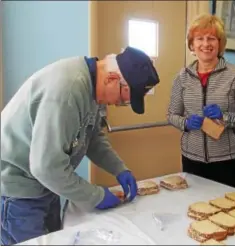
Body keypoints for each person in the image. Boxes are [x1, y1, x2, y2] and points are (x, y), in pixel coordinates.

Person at [0, 46, 160, 245]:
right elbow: (46, 168)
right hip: (19, 190)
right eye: (120, 99)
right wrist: (96, 197)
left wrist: (119, 169)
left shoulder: (94, 89)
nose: (116, 103)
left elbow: (92, 137)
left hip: (46, 185)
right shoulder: (67, 92)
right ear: (112, 78)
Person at [167, 14, 235, 189]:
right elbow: (171, 115)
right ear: (192, 44)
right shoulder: (182, 77)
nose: (206, 44)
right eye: (200, 39)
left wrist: (225, 117)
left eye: (212, 38)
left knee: (227, 210)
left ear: (220, 44)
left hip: (227, 160)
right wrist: (186, 123)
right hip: (192, 158)